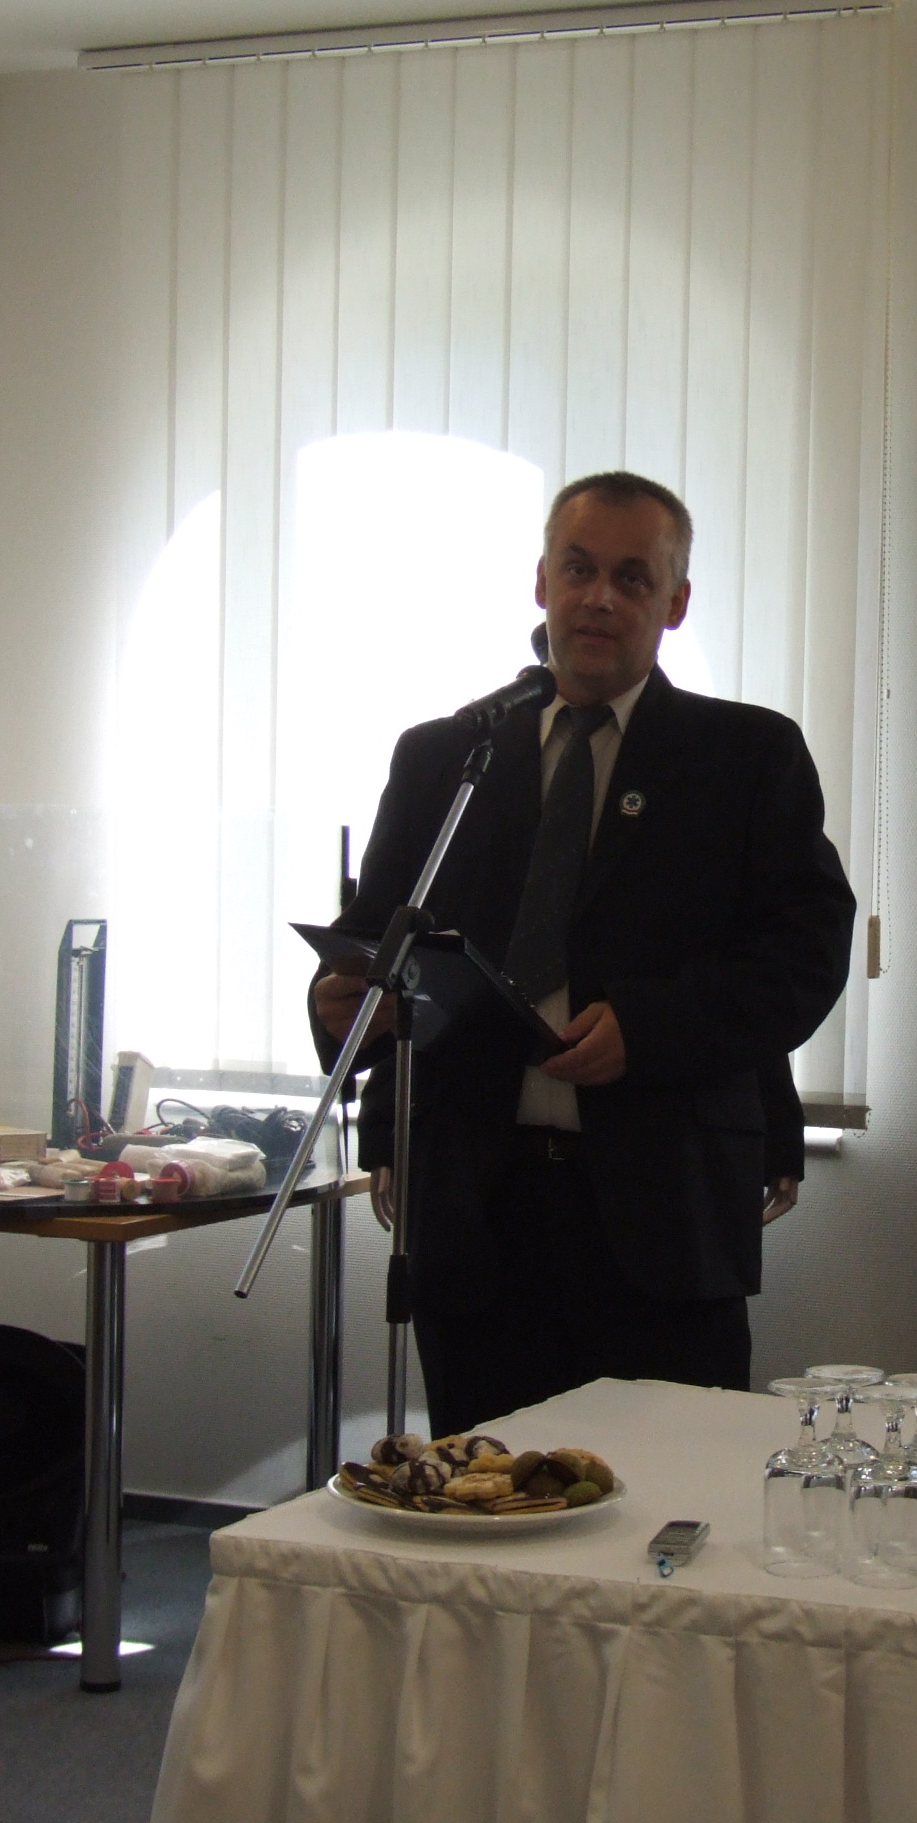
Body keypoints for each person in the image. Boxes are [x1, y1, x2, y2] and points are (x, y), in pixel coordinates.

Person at [310, 472, 856, 1436]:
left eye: (632, 578)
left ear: (675, 602)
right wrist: (342, 1004)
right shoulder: (447, 756)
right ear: (541, 583)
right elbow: (379, 942)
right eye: (579, 570)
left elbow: (804, 957)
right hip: (475, 1206)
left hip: (662, 1212)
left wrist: (648, 1029)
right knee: (486, 1496)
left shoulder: (745, 756)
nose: (600, 597)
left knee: (672, 1499)